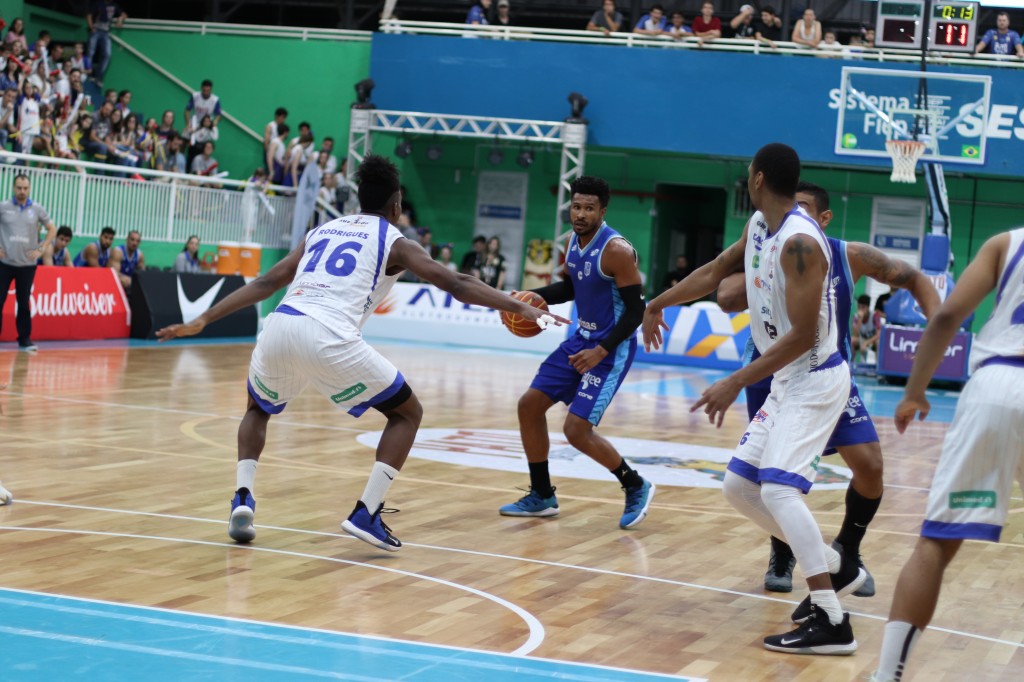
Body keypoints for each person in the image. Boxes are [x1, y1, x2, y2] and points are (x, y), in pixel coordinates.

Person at [155, 154, 564, 551]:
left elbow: (267, 282)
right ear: (396, 205)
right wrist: (520, 306)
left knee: (257, 409)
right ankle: (367, 511)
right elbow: (455, 282)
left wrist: (203, 320)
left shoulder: (322, 231)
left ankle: (242, 497)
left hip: (280, 324)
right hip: (328, 333)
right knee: (407, 413)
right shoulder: (395, 240)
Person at [643, 144, 866, 654]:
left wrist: (736, 380)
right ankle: (834, 565)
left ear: (759, 178)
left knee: (780, 491)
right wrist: (656, 304)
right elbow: (715, 271)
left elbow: (805, 334)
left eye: (748, 172)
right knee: (738, 488)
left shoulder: (801, 242)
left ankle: (832, 619)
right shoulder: (759, 227)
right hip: (788, 380)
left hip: (815, 378)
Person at [716, 181, 941, 599]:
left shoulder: (846, 254)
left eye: (801, 209)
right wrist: (756, 275)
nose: (789, 216)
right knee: (771, 477)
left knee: (870, 467)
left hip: (826, 372)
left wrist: (938, 329)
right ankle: (784, 554)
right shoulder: (768, 242)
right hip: (769, 371)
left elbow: (914, 279)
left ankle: (847, 552)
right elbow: (725, 294)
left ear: (823, 218)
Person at [872, 227, 1024, 682]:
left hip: (997, 386)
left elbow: (947, 317)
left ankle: (886, 677)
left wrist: (914, 392)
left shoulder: (1007, 242)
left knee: (937, 542)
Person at [499, 176, 655, 529]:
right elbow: (571, 285)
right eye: (576, 206)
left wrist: (601, 350)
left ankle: (635, 484)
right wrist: (527, 297)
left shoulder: (617, 250)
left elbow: (634, 312)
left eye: (589, 208)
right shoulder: (571, 242)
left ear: (602, 210)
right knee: (529, 405)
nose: (581, 214)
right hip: (578, 341)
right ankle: (542, 494)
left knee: (576, 430)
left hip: (609, 349)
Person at [0, 174, 56, 352]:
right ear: (13, 187)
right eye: (19, 188)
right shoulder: (3, 207)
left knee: (23, 303)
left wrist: (41, 249)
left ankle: (24, 340)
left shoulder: (37, 209)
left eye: (25, 188)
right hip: (4, 263)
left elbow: (52, 229)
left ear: (29, 188)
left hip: (27, 266)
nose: (22, 191)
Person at [85, 1, 126, 86]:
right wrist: (91, 27)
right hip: (96, 30)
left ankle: (98, 76)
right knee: (90, 52)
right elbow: (89, 15)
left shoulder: (114, 5)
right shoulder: (97, 3)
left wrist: (120, 19)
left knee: (107, 54)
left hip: (106, 32)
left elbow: (124, 14)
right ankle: (87, 74)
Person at [851, 294, 881, 362]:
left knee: (878, 342)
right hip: (861, 339)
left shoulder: (875, 315)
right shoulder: (856, 317)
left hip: (872, 341)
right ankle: (850, 364)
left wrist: (866, 343)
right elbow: (855, 334)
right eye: (859, 307)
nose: (860, 309)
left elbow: (878, 334)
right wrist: (860, 319)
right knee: (851, 340)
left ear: (868, 307)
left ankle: (878, 365)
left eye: (863, 307)